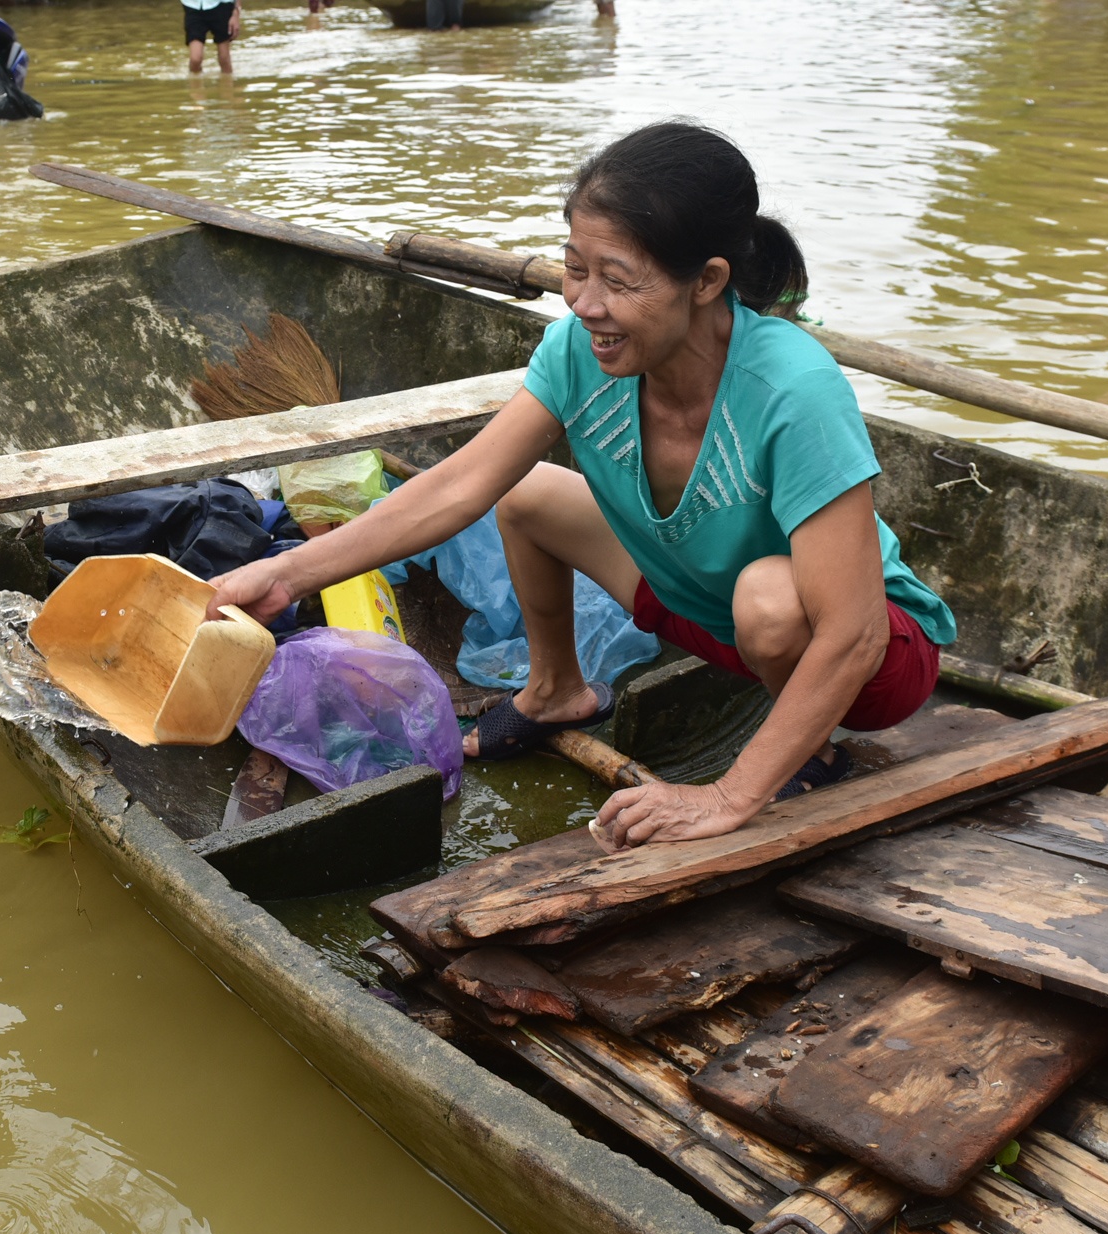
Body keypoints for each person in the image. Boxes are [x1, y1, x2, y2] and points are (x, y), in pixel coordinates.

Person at [209, 121, 956, 849]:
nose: (584, 303)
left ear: (708, 282)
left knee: (768, 597)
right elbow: (458, 485)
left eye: (618, 280)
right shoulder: (581, 350)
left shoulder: (793, 387)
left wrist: (729, 797)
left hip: (869, 663)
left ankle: (813, 749)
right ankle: (556, 688)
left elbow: (853, 634)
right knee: (527, 494)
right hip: (703, 607)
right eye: (575, 268)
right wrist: (285, 571)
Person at [182, 0, 238, 74]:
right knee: (195, 59)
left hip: (222, 6)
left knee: (224, 59)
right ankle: (195, 84)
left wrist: (236, 13)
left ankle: (227, 84)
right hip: (193, 6)